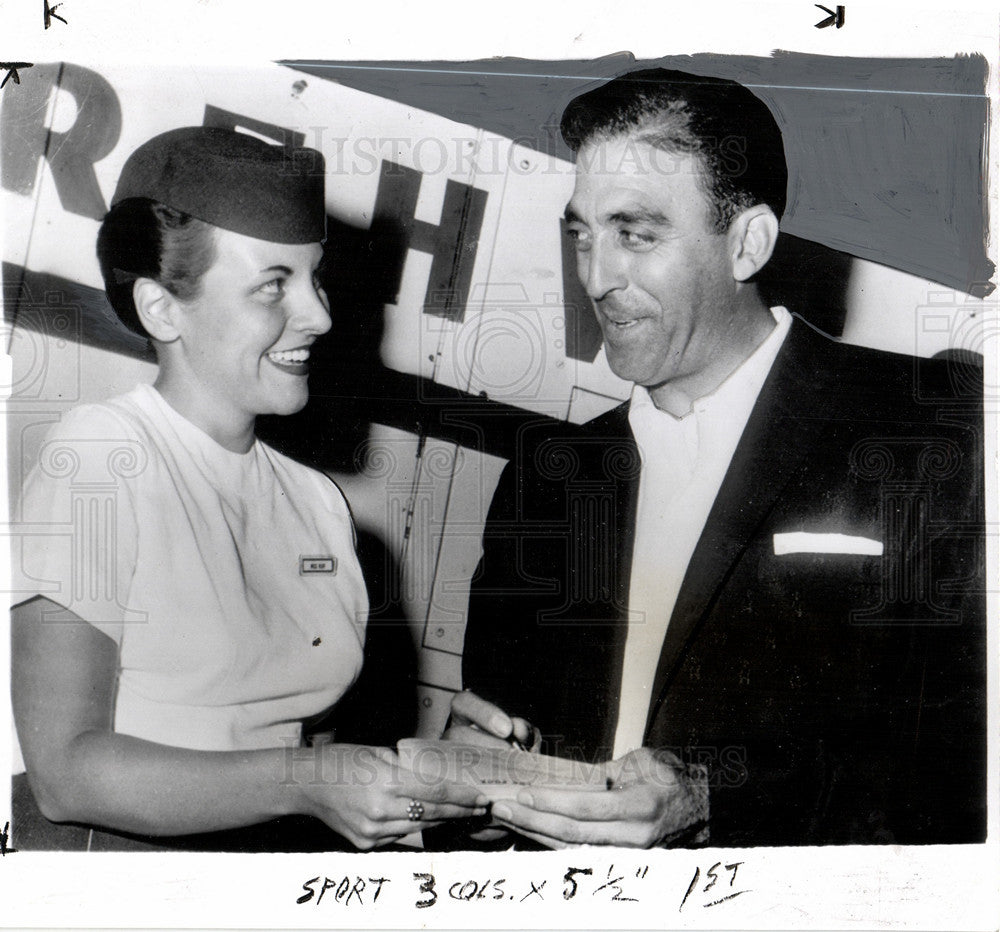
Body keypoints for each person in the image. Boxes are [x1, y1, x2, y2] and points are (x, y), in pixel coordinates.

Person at [447, 69, 986, 848]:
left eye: (636, 234)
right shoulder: (547, 475)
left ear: (748, 243)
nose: (596, 278)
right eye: (581, 234)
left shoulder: (931, 434)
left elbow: (963, 773)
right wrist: (468, 798)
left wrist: (714, 798)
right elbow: (493, 751)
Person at [10, 127, 487, 852]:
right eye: (273, 285)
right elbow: (64, 773)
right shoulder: (104, 457)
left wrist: (444, 783)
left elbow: (317, 771)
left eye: (315, 277)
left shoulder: (317, 503)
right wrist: (307, 779)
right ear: (162, 309)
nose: (320, 316)